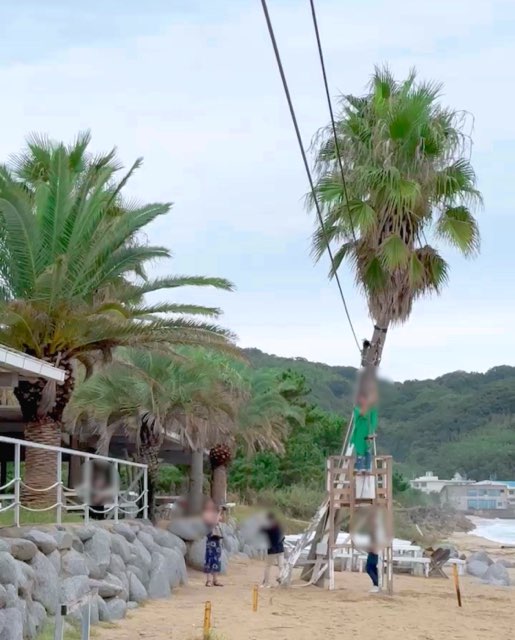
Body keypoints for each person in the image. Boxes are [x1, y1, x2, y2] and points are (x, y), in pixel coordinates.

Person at [351, 393, 378, 472]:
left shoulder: (370, 410)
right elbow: (358, 415)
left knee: (367, 449)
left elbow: (369, 417)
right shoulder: (359, 409)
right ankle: (360, 467)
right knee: (360, 450)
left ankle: (367, 467)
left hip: (367, 433)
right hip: (360, 433)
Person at [202, 499, 224, 587]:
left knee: (216, 559)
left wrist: (221, 512)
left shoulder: (214, 514)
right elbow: (213, 523)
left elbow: (221, 520)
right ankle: (208, 580)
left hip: (217, 540)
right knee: (209, 559)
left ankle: (215, 579)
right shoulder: (205, 514)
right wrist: (218, 513)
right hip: (210, 540)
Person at [261, 512, 285, 588]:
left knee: (268, 566)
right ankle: (281, 579)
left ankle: (266, 583)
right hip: (280, 549)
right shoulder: (278, 526)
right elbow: (283, 537)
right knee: (281, 566)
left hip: (272, 550)